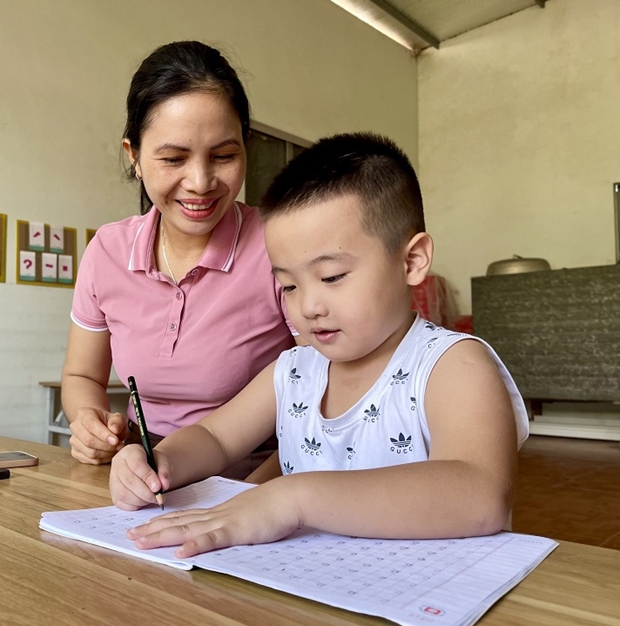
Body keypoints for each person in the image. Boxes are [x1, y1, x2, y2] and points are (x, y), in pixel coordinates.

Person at [109, 132, 529, 559]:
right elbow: (214, 438)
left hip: (428, 603)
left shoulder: (451, 366)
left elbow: (480, 496)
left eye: (331, 277)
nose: (307, 306)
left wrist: (293, 497)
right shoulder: (293, 372)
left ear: (412, 261)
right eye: (288, 285)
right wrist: (157, 463)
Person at [62, 41, 295, 474]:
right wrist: (91, 426)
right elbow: (82, 379)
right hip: (142, 471)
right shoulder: (107, 251)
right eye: (173, 158)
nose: (201, 182)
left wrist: (252, 497)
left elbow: (328, 392)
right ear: (134, 156)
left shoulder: (280, 244)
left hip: (256, 475)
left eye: (224, 156)